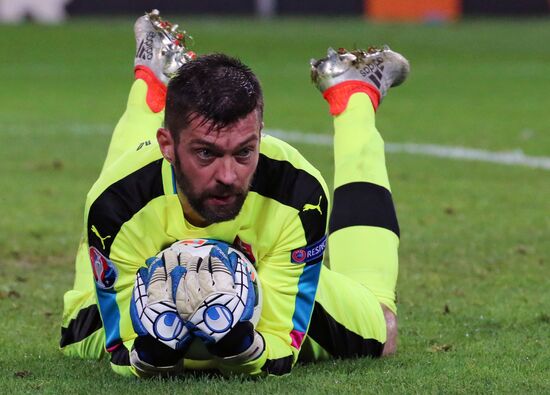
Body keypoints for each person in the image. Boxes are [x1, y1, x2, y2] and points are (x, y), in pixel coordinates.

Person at [60, 10, 408, 377]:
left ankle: (352, 93)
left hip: (268, 280)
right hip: (135, 270)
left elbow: (277, 343)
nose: (228, 175)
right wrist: (152, 348)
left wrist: (241, 343)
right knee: (76, 333)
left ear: (260, 136)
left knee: (383, 330)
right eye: (206, 153)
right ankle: (151, 81)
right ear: (168, 145)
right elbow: (122, 350)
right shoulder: (117, 202)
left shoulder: (297, 191)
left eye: (244, 152)